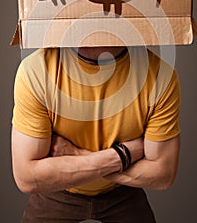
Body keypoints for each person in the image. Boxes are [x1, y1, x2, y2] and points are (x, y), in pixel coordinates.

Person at [11, 45, 180, 222]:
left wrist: (78, 155)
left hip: (122, 192)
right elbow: (27, 177)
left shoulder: (159, 75)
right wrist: (123, 156)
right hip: (56, 191)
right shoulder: (37, 70)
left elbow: (163, 174)